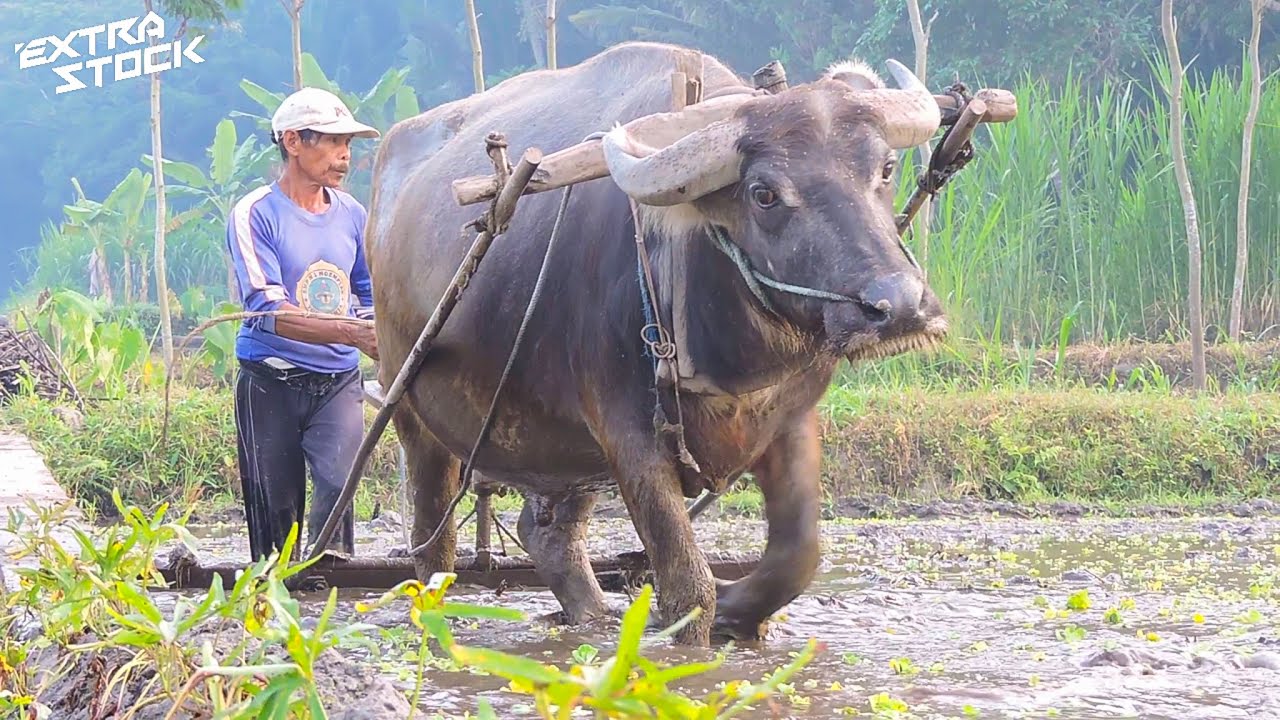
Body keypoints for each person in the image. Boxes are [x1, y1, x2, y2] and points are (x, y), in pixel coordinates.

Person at [225, 86, 381, 563]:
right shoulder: (256, 214)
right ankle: (278, 609)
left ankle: (330, 599)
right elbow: (267, 310)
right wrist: (353, 333)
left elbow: (370, 291)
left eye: (349, 145)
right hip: (270, 378)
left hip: (337, 380)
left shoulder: (353, 215)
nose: (344, 156)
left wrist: (376, 330)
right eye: (333, 143)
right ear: (293, 142)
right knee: (276, 513)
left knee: (339, 484)